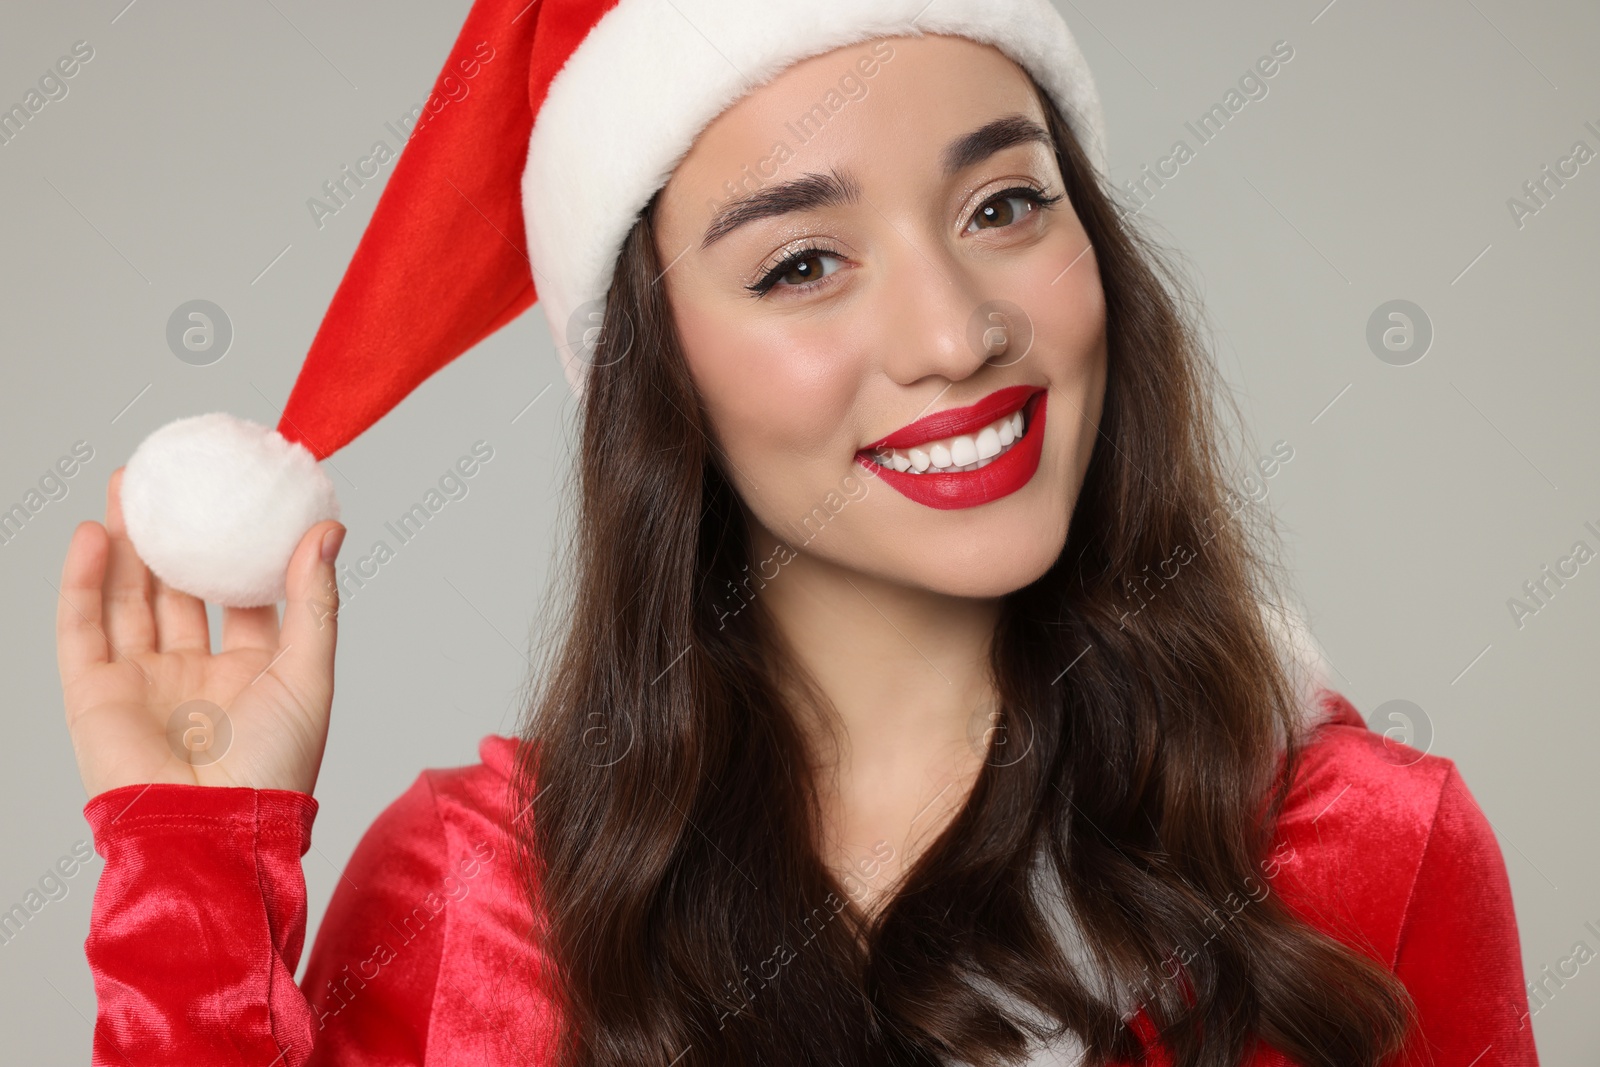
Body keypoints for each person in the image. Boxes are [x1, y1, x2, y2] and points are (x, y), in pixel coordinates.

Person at [55, 2, 1539, 1065]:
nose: (957, 332)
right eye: (804, 262)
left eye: (1006, 202)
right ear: (663, 373)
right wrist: (196, 866)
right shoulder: (475, 893)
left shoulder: (1366, 848)